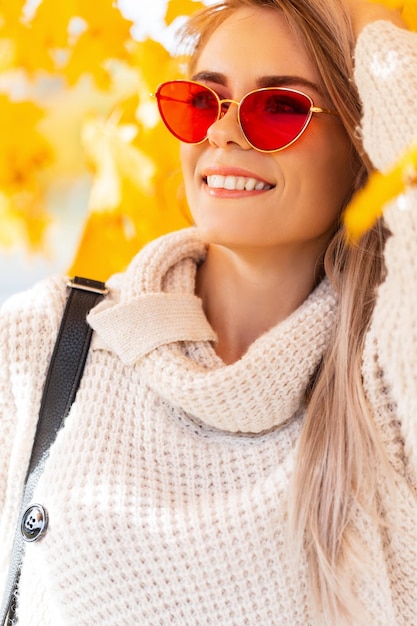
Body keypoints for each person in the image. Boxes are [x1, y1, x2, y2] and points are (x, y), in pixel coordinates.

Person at [1, 0, 416, 623]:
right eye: (201, 102)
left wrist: (370, 30)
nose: (223, 132)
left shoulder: (384, 389)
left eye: (280, 108)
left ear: (363, 144)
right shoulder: (50, 341)